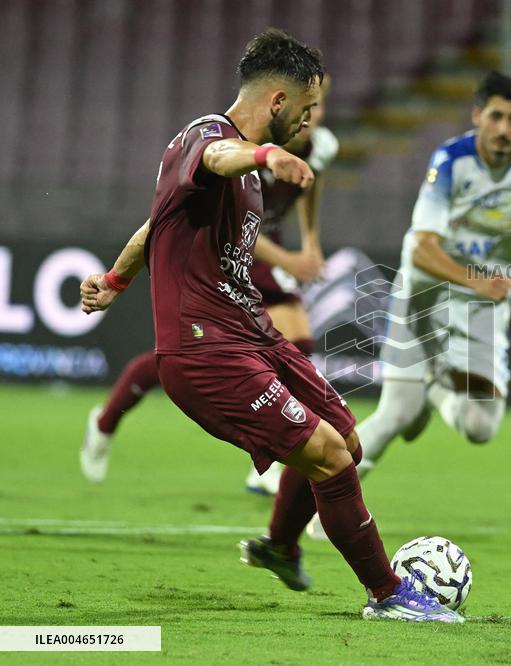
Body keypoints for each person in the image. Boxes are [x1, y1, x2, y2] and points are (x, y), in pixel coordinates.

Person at [79, 28, 461, 622]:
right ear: (277, 102)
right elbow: (217, 157)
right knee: (329, 458)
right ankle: (387, 596)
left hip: (252, 332)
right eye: (306, 109)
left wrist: (116, 281)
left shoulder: (248, 175)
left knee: (347, 440)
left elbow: (154, 227)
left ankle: (281, 548)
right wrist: (263, 154)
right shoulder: (208, 137)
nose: (310, 122)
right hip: (207, 348)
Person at [309, 71, 511, 539]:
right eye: (494, 116)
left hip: (483, 303)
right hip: (426, 292)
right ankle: (317, 520)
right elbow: (421, 250)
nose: (503, 128)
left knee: (480, 426)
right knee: (395, 414)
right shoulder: (451, 161)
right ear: (477, 116)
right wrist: (478, 278)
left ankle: (435, 390)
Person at [79, 78, 338, 496]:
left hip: (253, 249)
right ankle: (105, 421)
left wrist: (310, 242)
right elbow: (211, 172)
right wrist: (291, 258)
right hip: (228, 253)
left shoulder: (317, 146)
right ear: (280, 101)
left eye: (320, 106)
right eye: (310, 104)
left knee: (297, 343)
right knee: (189, 357)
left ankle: (279, 456)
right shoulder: (239, 142)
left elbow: (311, 188)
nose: (315, 115)